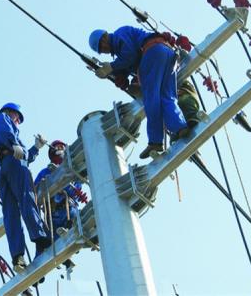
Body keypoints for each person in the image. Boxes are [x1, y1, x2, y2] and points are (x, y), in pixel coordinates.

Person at [88, 26, 189, 159]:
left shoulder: (119, 34)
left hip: (153, 53)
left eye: (102, 46)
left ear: (105, 37)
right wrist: (120, 75)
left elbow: (131, 55)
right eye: (102, 50)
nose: (105, 50)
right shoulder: (120, 48)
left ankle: (155, 141)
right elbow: (130, 59)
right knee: (167, 96)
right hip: (167, 53)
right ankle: (180, 127)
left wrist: (111, 67)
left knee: (151, 99)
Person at [0, 102, 51, 273]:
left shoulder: (7, 136)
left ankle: (18, 257)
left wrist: (36, 147)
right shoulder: (1, 118)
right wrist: (13, 142)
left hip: (2, 168)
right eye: (17, 118)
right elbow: (8, 135)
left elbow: (25, 155)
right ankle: (40, 238)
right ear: (10, 113)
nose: (18, 122)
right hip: (13, 163)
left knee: (10, 212)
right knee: (26, 198)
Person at [34, 140, 87, 272]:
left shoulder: (71, 169)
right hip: (52, 213)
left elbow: (76, 189)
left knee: (77, 220)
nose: (60, 149)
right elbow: (35, 192)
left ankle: (68, 250)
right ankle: (37, 269)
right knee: (44, 239)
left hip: (69, 209)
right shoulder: (45, 172)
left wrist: (66, 187)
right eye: (57, 147)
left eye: (62, 147)